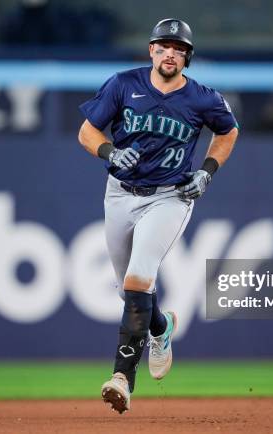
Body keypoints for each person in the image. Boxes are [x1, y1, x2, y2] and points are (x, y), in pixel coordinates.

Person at [77, 18, 238, 413]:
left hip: (170, 196)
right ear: (151, 50)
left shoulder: (203, 98)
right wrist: (110, 152)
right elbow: (87, 132)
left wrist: (207, 171)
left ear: (187, 57)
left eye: (179, 48)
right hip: (119, 193)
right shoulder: (123, 84)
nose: (170, 53)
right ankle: (161, 328)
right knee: (128, 292)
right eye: (164, 46)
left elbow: (228, 131)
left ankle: (121, 379)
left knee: (138, 279)